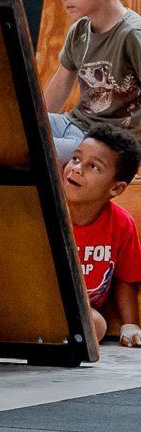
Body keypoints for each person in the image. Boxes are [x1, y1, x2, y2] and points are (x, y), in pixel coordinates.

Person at [43, 0, 141, 164]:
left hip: (107, 144)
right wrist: (31, 122)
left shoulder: (133, 34)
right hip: (74, 125)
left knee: (35, 150)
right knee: (13, 130)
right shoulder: (79, 30)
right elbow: (58, 89)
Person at [62, 123, 141, 345]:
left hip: (81, 312)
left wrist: (130, 325)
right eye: (76, 159)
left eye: (94, 166)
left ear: (116, 188)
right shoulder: (44, 211)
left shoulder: (121, 223)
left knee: (96, 324)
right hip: (39, 303)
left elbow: (126, 279)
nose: (77, 169)